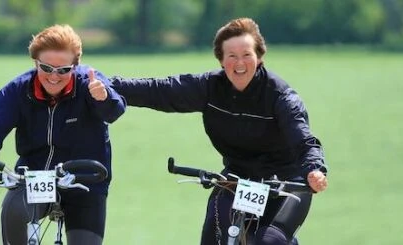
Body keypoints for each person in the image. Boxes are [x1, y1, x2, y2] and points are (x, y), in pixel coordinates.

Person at [109, 18, 328, 245]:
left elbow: (304, 140)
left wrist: (314, 169)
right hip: (238, 178)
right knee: (215, 234)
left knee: (269, 241)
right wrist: (107, 85)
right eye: (231, 55)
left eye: (247, 54)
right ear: (221, 60)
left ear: (259, 57)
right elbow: (160, 90)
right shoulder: (209, 87)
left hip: (287, 183)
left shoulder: (281, 97)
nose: (239, 63)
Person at [0, 24, 126, 245]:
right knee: (14, 212)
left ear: (75, 66)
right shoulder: (19, 89)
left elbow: (114, 111)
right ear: (35, 62)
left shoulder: (91, 83)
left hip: (85, 182)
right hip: (33, 177)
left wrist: (103, 98)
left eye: (63, 70)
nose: (54, 76)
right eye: (46, 68)